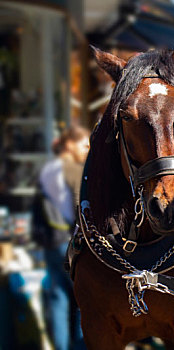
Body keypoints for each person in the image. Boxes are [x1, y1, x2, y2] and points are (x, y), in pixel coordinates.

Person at [32, 125, 90, 350]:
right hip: (71, 245)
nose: (87, 150)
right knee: (81, 300)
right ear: (69, 144)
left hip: (49, 243)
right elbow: (80, 209)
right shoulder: (74, 169)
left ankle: (61, 346)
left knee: (58, 300)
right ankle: (80, 346)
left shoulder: (46, 170)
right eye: (83, 145)